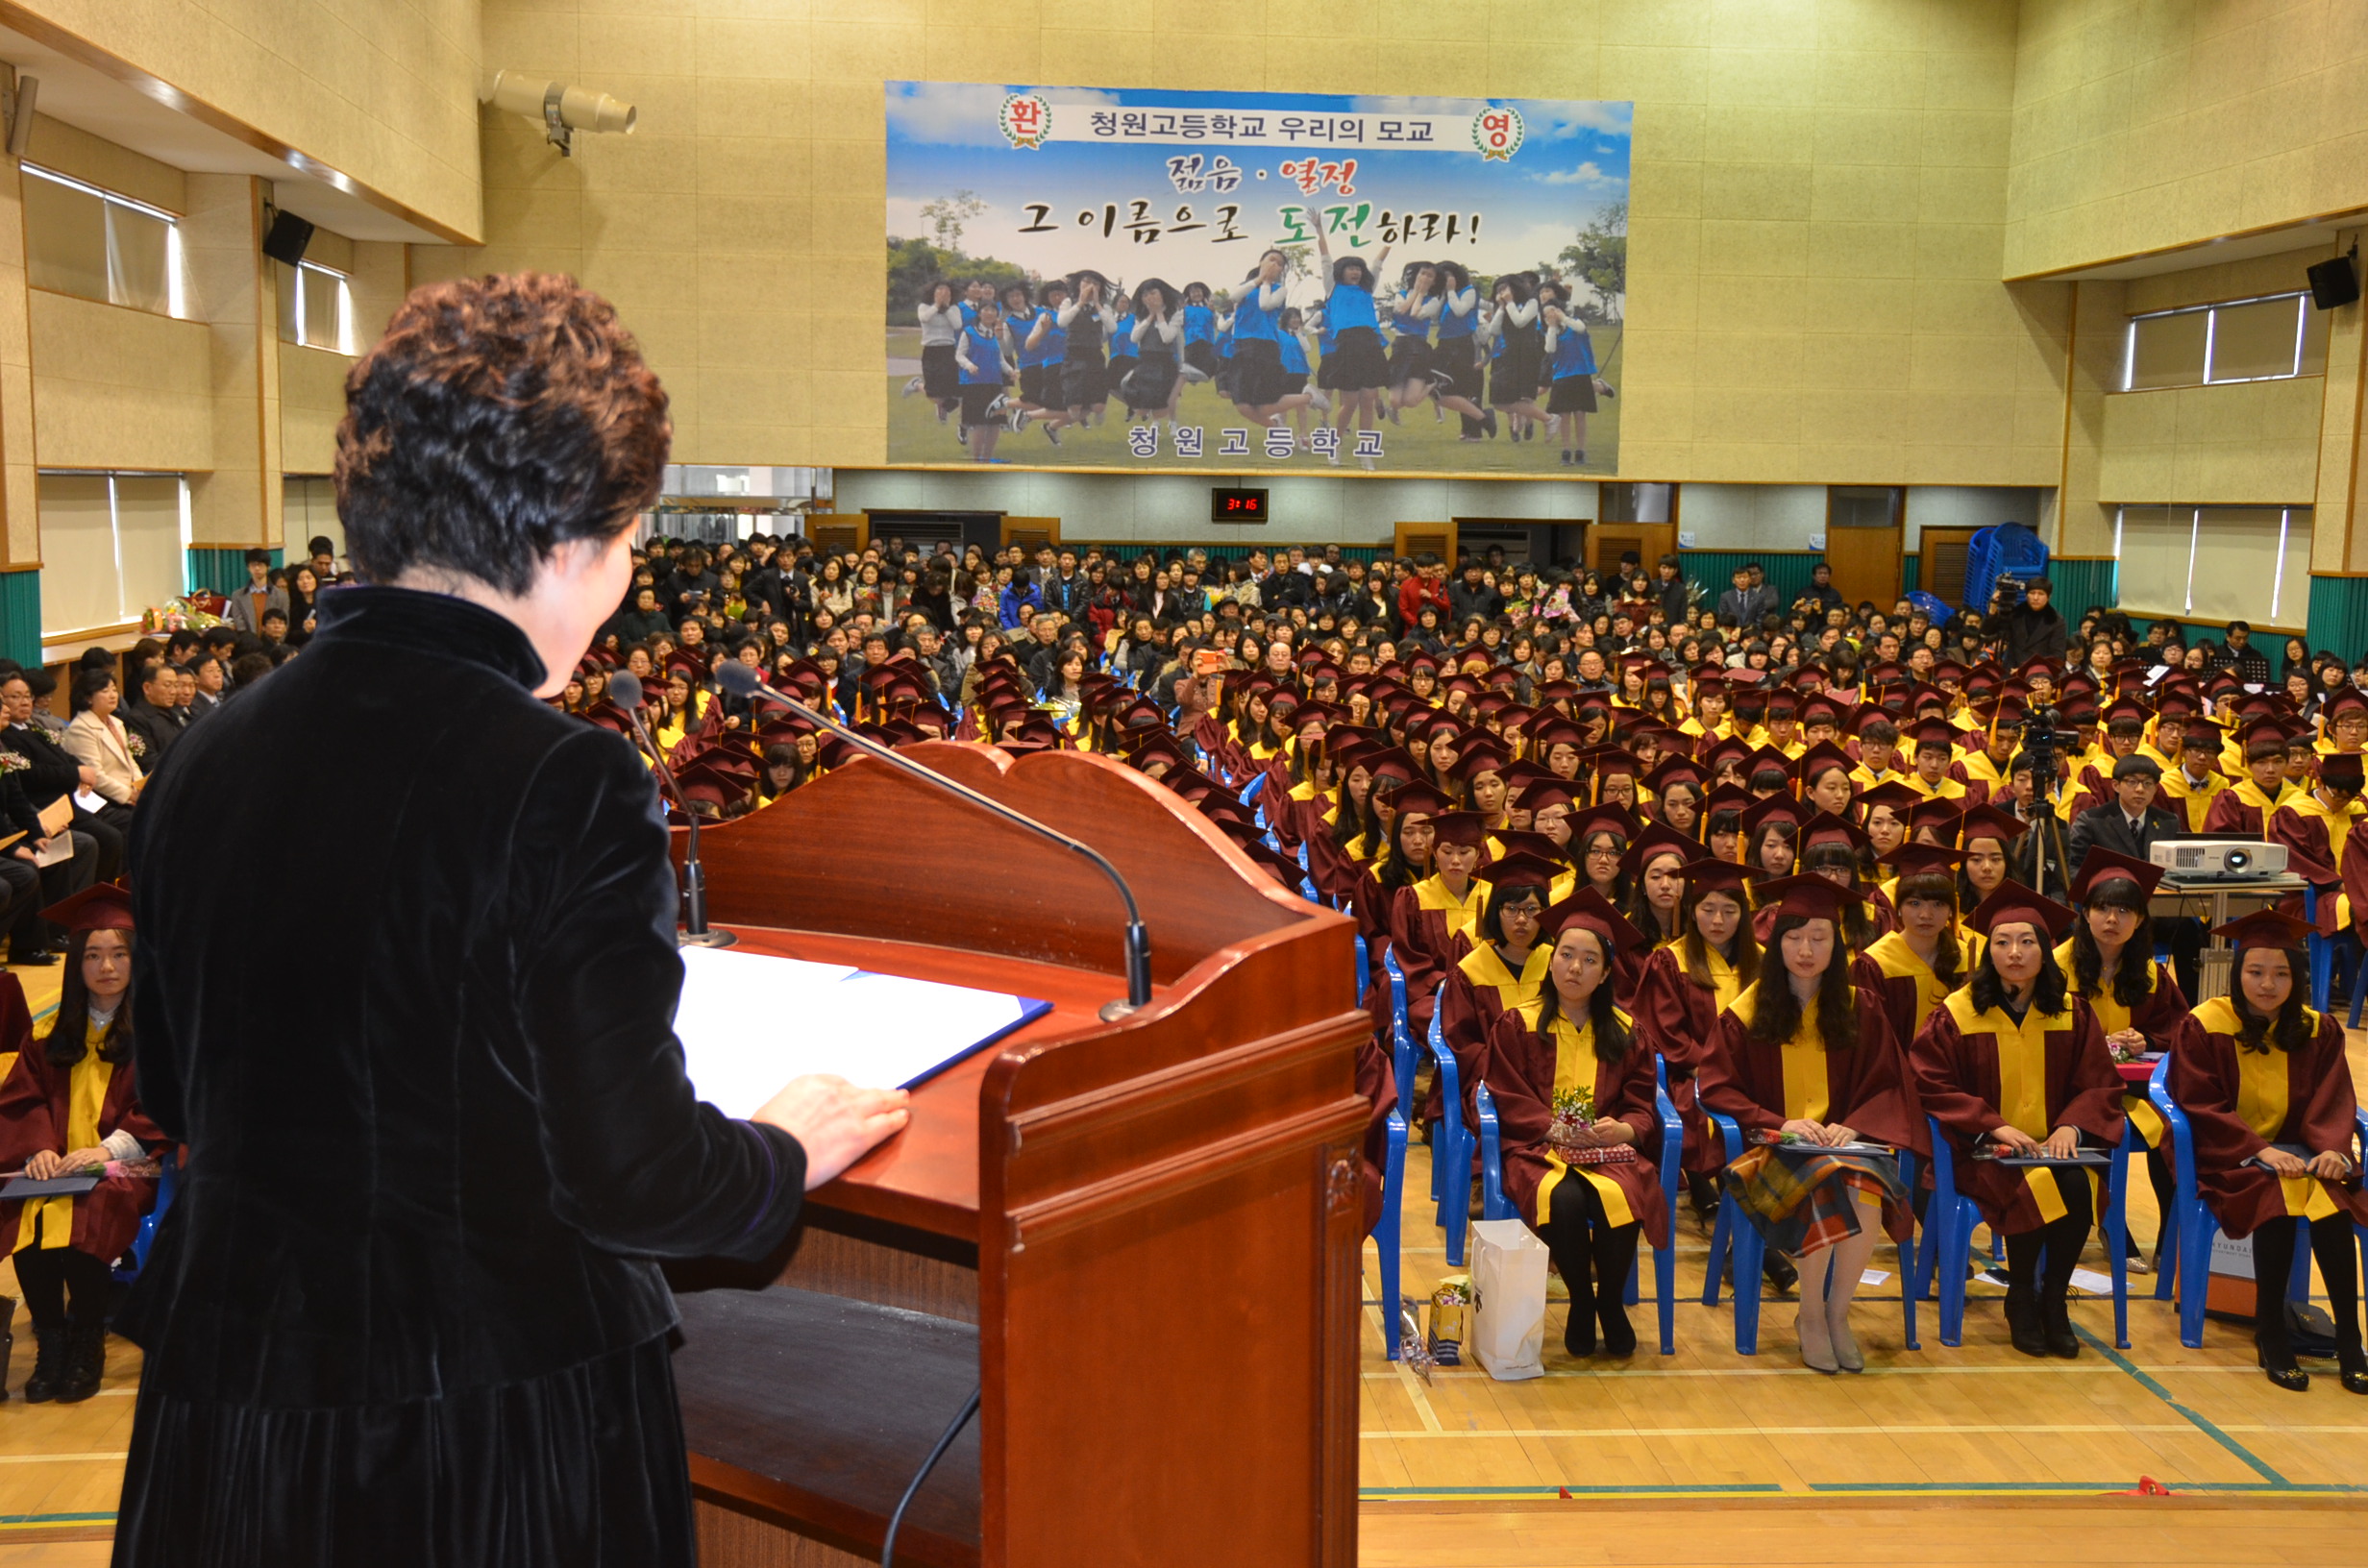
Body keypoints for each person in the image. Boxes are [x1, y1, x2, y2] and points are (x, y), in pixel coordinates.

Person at [113, 274, 910, 1564]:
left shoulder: (208, 755)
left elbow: (174, 1086)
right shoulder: (564, 780)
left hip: (233, 1422)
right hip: (480, 1441)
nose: (629, 574)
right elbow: (636, 1179)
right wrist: (777, 1150)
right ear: (565, 542)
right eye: (633, 539)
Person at [1699, 874, 1921, 1373]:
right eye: (1794, 938)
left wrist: (1857, 1126)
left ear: (1836, 946)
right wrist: (1781, 1123)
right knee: (1826, 1181)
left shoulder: (1860, 1006)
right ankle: (1810, 1315)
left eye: (1819, 939)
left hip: (1844, 1147)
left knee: (1861, 1184)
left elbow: (1889, 1082)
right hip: (1770, 1149)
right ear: (1776, 943)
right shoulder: (1747, 1011)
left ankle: (1838, 1315)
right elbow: (1717, 1088)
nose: (1805, 950)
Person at [1911, 883, 2126, 1359]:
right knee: (2044, 1182)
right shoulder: (1957, 1013)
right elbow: (1931, 1082)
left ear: (2046, 952)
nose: (2014, 953)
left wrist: (2072, 1124)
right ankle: (2022, 1297)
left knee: (2077, 1183)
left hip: (2056, 1146)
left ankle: (2051, 1298)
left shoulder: (2073, 1011)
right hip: (1981, 1152)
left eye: (2027, 942)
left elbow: (2100, 1082)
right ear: (1988, 951)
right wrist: (1992, 1124)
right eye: (2002, 942)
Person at [2166, 910, 2368, 1393]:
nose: (2267, 984)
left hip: (2302, 1153)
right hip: (2230, 1159)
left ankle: (2351, 1340)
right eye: (2255, 972)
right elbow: (2198, 1102)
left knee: (2334, 1208)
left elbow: (2335, 1097)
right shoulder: (2205, 1024)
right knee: (2277, 1202)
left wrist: (2333, 1151)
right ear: (2238, 974)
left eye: (2281, 974)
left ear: (2297, 979)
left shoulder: (2317, 1028)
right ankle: (2271, 1334)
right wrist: (2259, 1150)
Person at [1480, 889, 1671, 1359]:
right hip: (1537, 1149)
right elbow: (1502, 1090)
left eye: (1589, 960)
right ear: (1551, 961)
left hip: (1607, 1153)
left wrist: (1624, 1129)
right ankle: (1583, 1302)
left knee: (1622, 1191)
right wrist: (1550, 1127)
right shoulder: (1518, 1024)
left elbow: (1642, 1103)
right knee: (1563, 1199)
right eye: (1566, 955)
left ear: (1605, 973)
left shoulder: (1626, 1032)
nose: (1574, 968)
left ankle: (1610, 1301)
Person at [0, 884, 161, 1404]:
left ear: (137, 960)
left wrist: (109, 1150)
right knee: (27, 1205)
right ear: (76, 963)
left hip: (133, 1166)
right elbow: (23, 1101)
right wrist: (38, 1149)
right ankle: (52, 1340)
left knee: (93, 1200)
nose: (106, 967)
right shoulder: (48, 1033)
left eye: (118, 954)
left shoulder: (159, 1033)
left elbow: (165, 1105)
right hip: (56, 1162)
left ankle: (88, 1339)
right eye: (92, 955)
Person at [1989, 576, 2068, 672]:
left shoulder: (2057, 621)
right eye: (2032, 593)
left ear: (2049, 596)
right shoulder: (2015, 613)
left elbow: (2057, 656)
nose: (2035, 598)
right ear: (2026, 595)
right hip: (2010, 671)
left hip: (2039, 676)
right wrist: (1993, 607)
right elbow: (1987, 633)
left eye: (2041, 594)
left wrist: (2025, 670)